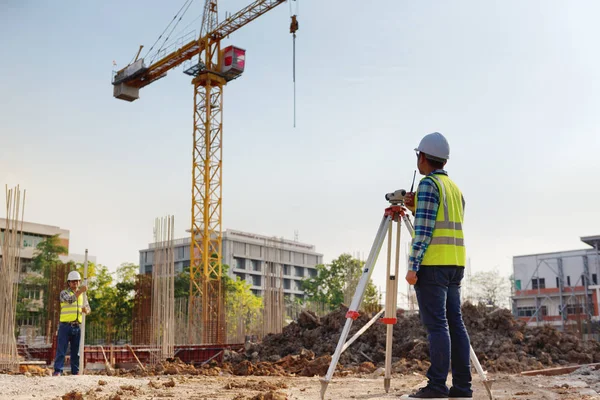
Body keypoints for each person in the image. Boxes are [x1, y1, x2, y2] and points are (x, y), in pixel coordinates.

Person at [402, 132, 472, 399]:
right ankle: (463, 388)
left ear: (422, 157)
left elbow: (424, 230)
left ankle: (436, 386)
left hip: (433, 264)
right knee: (455, 323)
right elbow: (442, 217)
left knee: (437, 326)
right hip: (455, 262)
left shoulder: (428, 185)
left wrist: (413, 266)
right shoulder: (454, 188)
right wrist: (416, 205)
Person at [53, 270, 90, 376]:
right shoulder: (64, 293)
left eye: (77, 281)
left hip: (77, 326)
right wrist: (80, 291)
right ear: (68, 282)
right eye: (73, 281)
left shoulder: (83, 296)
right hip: (65, 326)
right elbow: (70, 300)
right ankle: (58, 371)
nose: (75, 283)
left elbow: (88, 308)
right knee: (61, 349)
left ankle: (75, 371)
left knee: (76, 351)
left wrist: (86, 310)